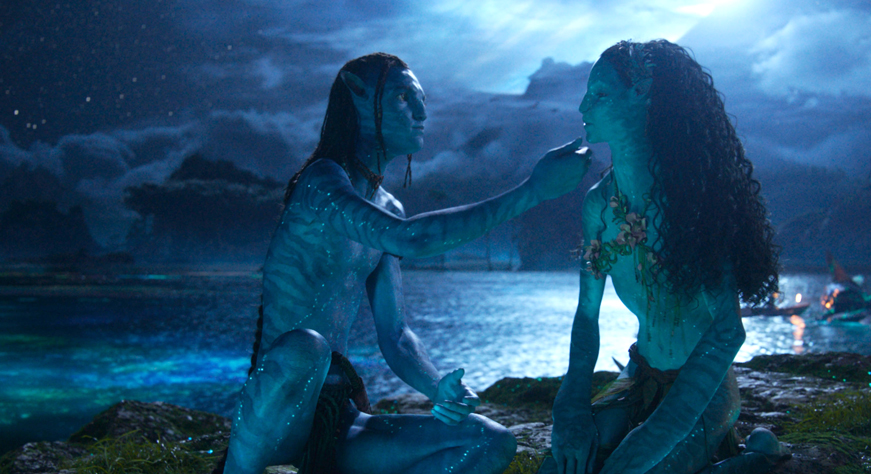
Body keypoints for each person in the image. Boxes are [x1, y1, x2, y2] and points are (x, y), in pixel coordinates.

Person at [218, 52, 591, 474]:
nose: (421, 113)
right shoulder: (321, 181)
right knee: (308, 346)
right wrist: (531, 192)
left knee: (490, 441)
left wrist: (438, 389)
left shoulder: (387, 208)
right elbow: (412, 238)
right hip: (274, 410)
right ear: (357, 96)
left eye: (421, 100)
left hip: (336, 415)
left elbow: (395, 334)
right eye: (402, 98)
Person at [544, 40, 787, 474]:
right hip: (639, 375)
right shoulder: (599, 206)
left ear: (643, 94)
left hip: (705, 391)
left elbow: (727, 331)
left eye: (600, 94)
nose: (583, 105)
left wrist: (655, 434)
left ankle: (759, 459)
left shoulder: (693, 202)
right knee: (557, 468)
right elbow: (586, 315)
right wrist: (572, 407)